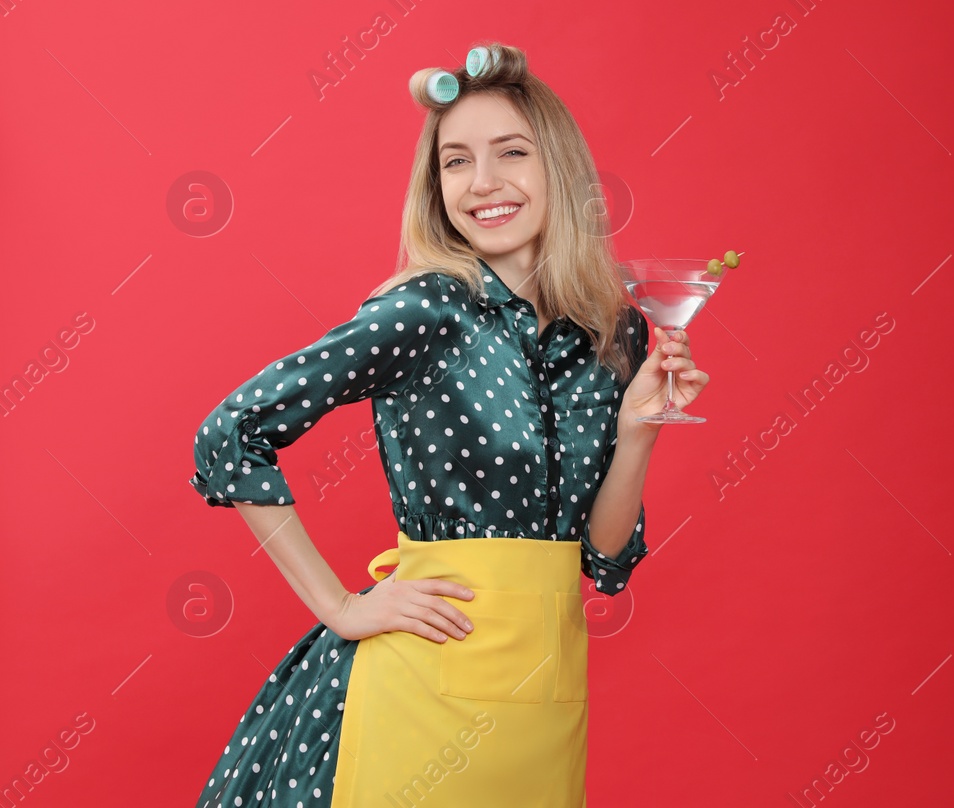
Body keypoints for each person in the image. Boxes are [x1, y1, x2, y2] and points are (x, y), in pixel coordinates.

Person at [187, 41, 708, 808]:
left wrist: (638, 430)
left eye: (511, 152)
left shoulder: (615, 331)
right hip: (416, 693)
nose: (483, 182)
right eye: (456, 161)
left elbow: (603, 561)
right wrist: (341, 607)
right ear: (436, 186)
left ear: (559, 168)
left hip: (545, 707)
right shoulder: (426, 309)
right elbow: (230, 433)